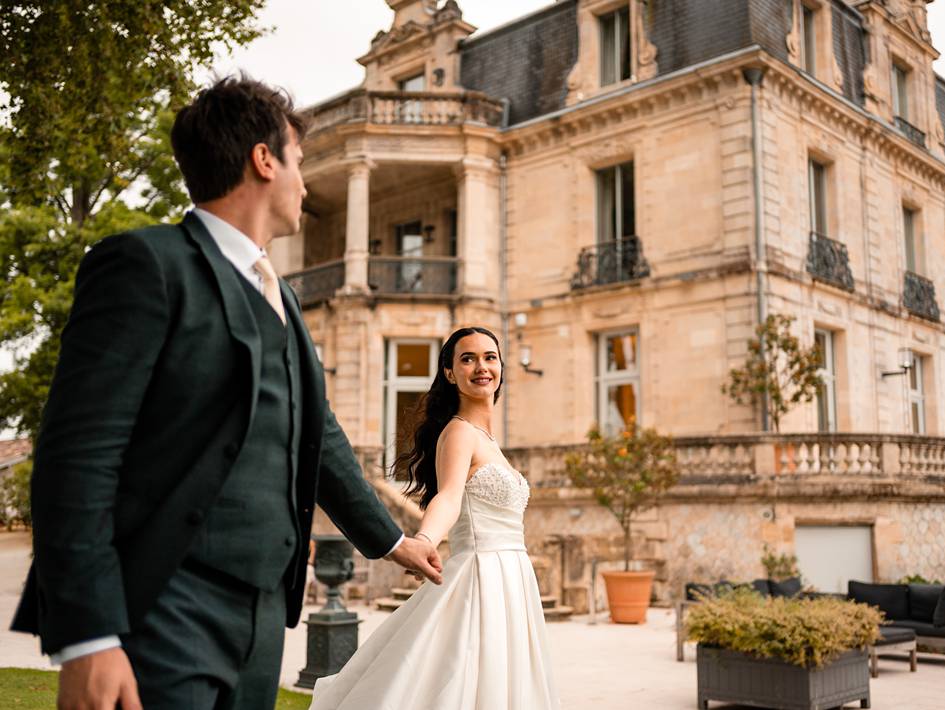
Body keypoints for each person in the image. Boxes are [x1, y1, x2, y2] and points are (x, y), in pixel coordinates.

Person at [9, 75, 443, 710]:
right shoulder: (144, 265)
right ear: (264, 160)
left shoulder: (286, 299)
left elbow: (318, 438)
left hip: (264, 619)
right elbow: (76, 458)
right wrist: (88, 639)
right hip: (160, 612)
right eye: (297, 161)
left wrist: (393, 540)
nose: (303, 181)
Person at [309, 326, 560, 710]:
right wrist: (425, 540)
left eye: (489, 357)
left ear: (501, 367)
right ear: (449, 372)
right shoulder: (458, 433)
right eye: (468, 358)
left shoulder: (489, 440)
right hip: (483, 575)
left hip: (514, 577)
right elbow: (449, 496)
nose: (481, 367)